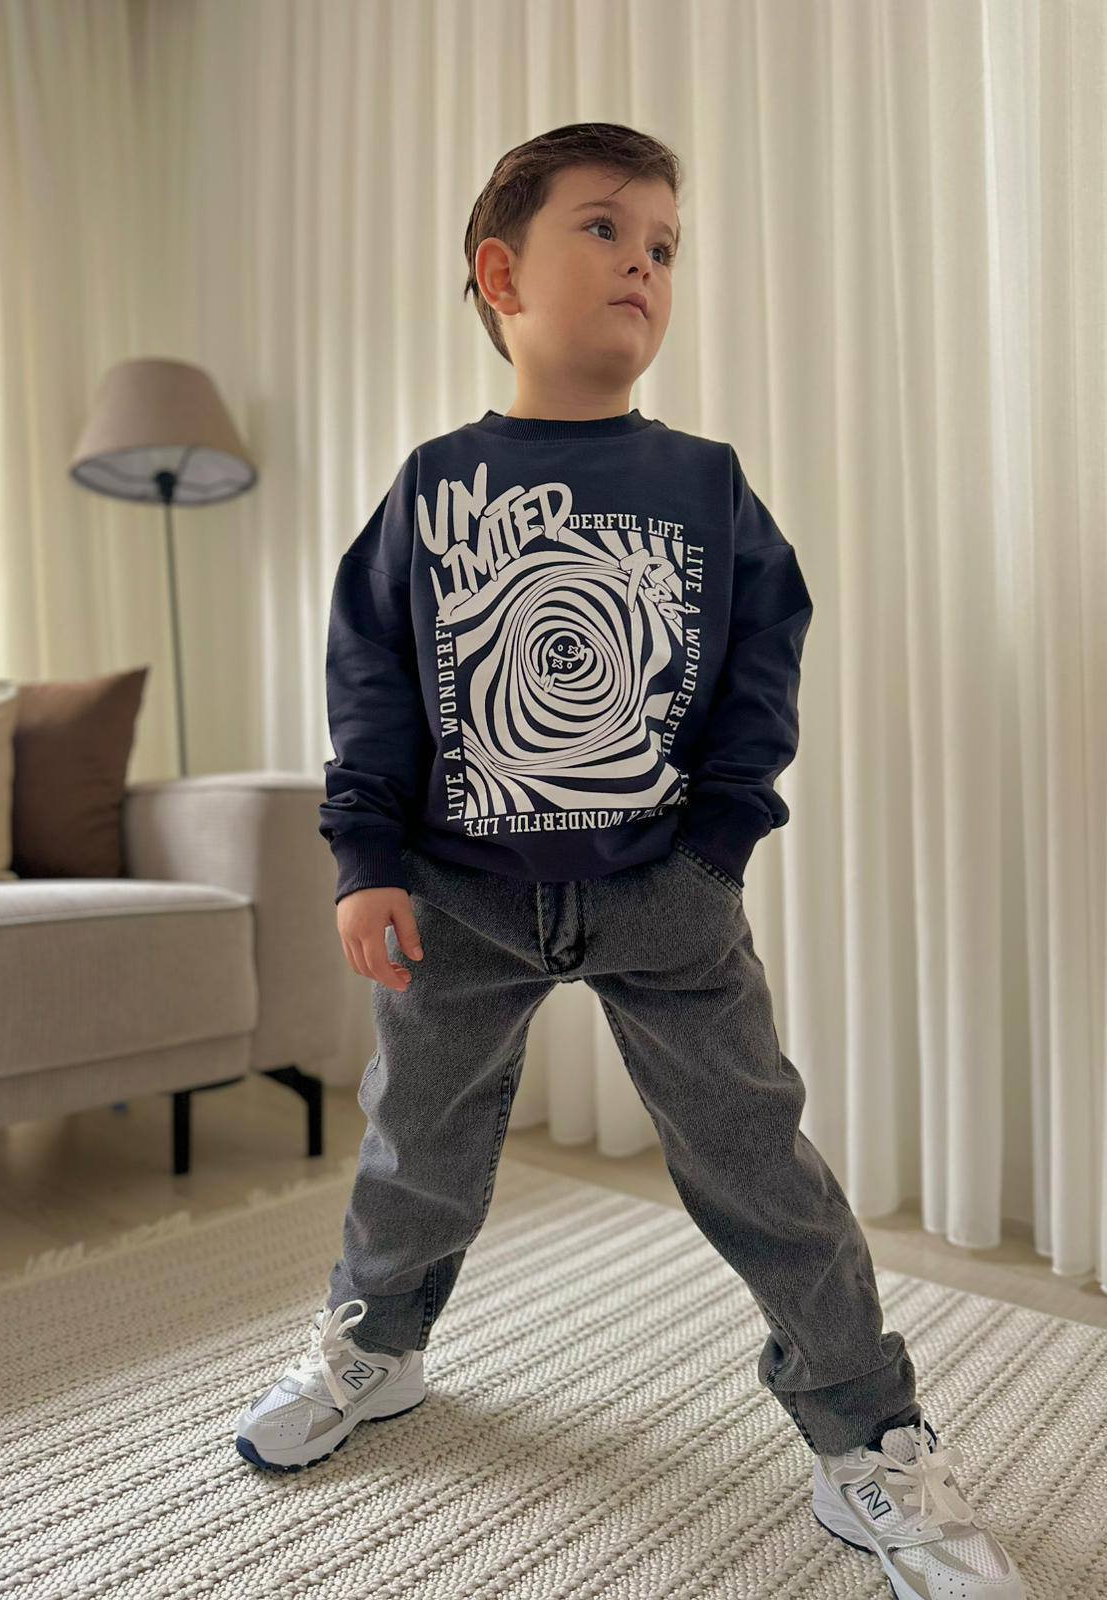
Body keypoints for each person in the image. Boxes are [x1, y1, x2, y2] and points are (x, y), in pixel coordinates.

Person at [234, 121, 1026, 1599]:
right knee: (418, 1142)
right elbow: (373, 684)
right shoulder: (432, 484)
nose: (644, 265)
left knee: (758, 1160)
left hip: (664, 892)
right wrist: (365, 856)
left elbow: (764, 668)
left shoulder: (709, 485)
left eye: (665, 246)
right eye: (604, 229)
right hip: (456, 895)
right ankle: (378, 1350)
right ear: (502, 276)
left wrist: (718, 844)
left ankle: (867, 1435)